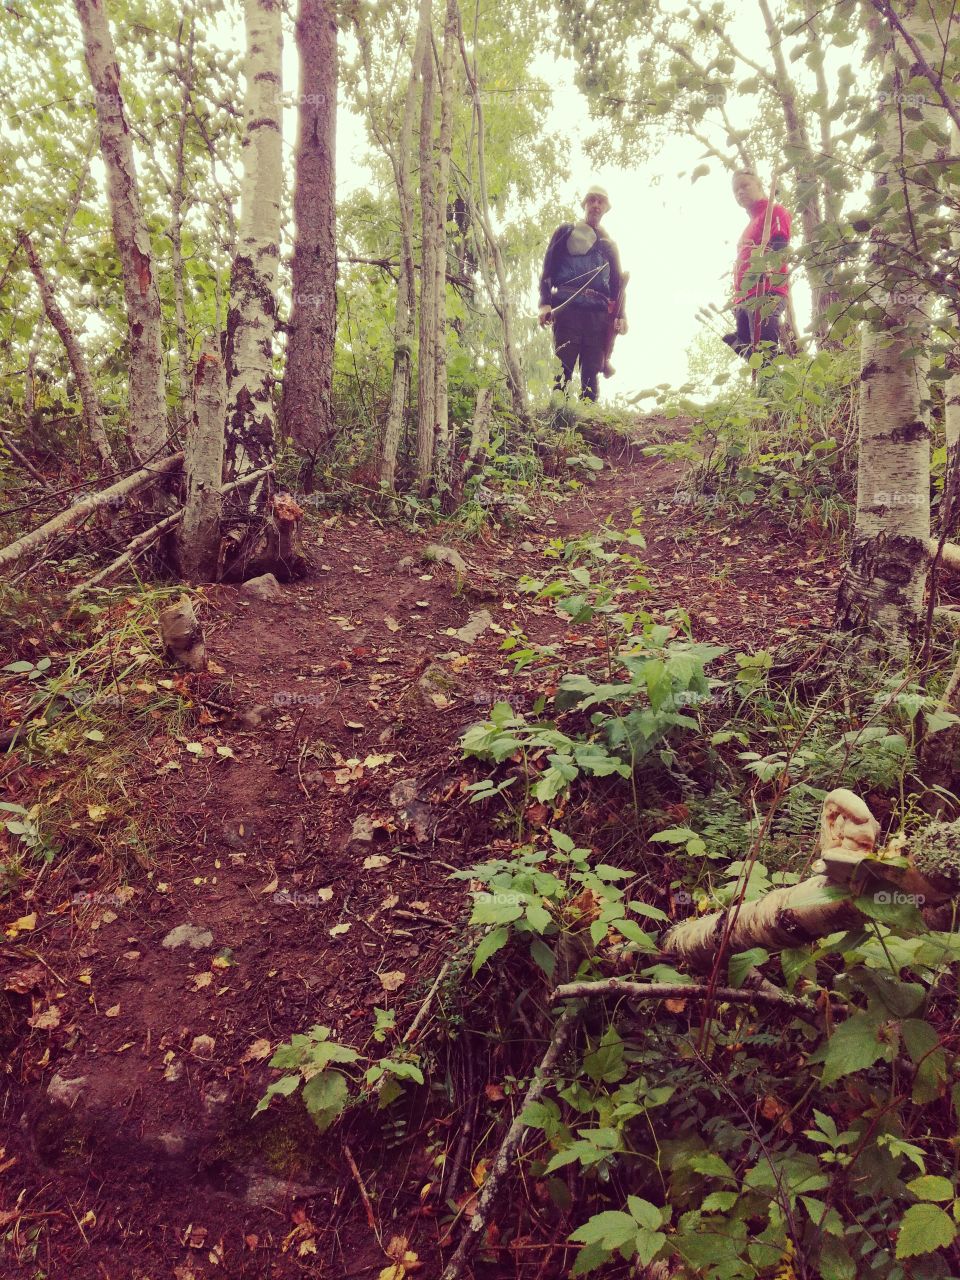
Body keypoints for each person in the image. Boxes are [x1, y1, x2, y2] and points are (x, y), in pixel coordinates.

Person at [538, 185, 627, 402]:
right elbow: (548, 268)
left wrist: (621, 315)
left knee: (591, 373)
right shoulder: (566, 232)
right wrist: (544, 302)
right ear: (585, 204)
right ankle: (558, 418)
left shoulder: (609, 245)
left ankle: (588, 426)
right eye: (592, 200)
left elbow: (617, 284)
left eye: (601, 202)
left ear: (606, 208)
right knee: (563, 368)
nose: (596, 205)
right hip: (568, 309)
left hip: (598, 316)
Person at [723, 170, 790, 363]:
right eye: (736, 190)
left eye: (745, 186)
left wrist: (768, 268)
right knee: (744, 344)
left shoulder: (774, 211)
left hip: (766, 290)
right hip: (745, 296)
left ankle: (772, 387)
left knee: (765, 348)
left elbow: (779, 244)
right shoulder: (749, 226)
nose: (740, 193)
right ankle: (769, 384)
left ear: (759, 186)